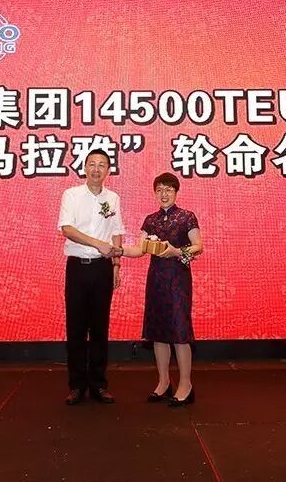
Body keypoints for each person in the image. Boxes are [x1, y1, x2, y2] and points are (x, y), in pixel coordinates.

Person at [122, 172, 203, 407]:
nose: (163, 194)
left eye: (168, 189)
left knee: (179, 331)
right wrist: (117, 249)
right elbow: (140, 249)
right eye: (159, 190)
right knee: (158, 331)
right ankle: (164, 382)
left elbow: (198, 246)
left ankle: (186, 385)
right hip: (156, 280)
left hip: (178, 280)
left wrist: (176, 251)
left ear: (176, 192)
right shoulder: (150, 220)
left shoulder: (187, 217)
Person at [57, 149, 124, 405]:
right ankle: (76, 385)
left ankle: (98, 384)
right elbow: (67, 229)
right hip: (77, 267)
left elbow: (116, 231)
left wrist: (116, 265)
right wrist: (97, 243)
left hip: (102, 268)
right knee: (76, 327)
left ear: (108, 170)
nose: (96, 169)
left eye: (102, 165)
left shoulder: (113, 198)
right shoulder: (71, 195)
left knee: (99, 327)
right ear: (84, 167)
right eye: (92, 164)